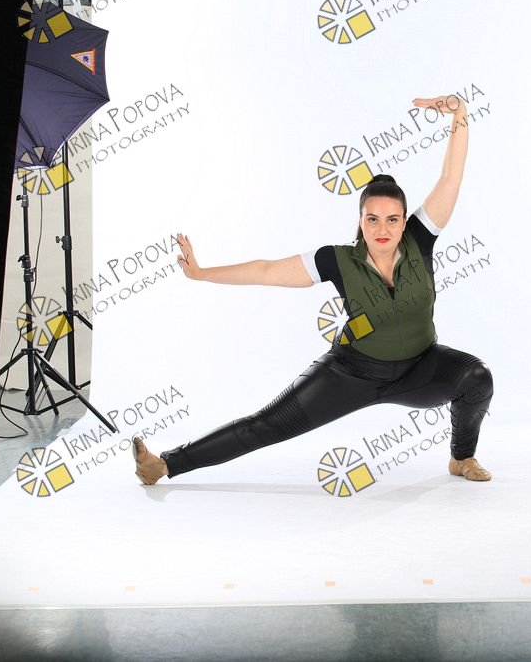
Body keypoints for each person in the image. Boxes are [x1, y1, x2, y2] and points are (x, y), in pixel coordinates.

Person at [132, 94, 493, 485]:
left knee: (477, 378)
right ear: (360, 221)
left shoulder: (420, 238)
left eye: (392, 219)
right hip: (352, 371)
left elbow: (450, 178)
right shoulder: (337, 259)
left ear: (405, 221)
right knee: (266, 424)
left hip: (419, 368)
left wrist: (459, 114)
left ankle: (462, 458)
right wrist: (202, 273)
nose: (382, 229)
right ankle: (162, 465)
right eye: (372, 219)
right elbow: (266, 270)